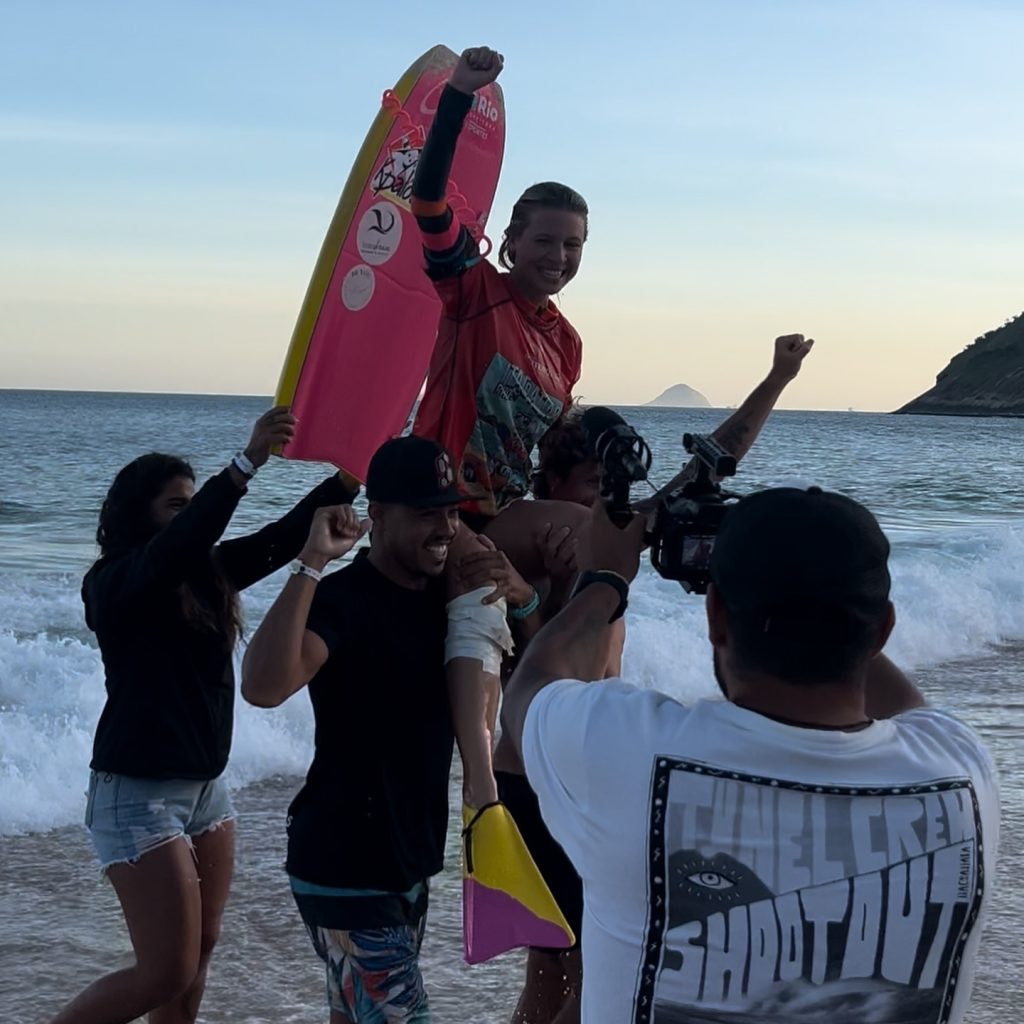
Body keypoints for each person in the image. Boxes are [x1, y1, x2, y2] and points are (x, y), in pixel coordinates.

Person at [411, 45, 816, 813]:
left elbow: (563, 443)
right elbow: (429, 200)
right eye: (544, 241)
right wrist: (460, 97)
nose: (558, 257)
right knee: (583, 533)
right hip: (441, 504)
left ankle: (574, 742)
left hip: (501, 512)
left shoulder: (565, 343)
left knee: (603, 533)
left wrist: (588, 507)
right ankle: (501, 781)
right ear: (511, 241)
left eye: (574, 246)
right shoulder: (473, 292)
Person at [501, 488, 1000, 1024]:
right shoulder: (963, 778)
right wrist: (816, 594)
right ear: (883, 630)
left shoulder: (626, 754)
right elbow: (908, 708)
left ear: (714, 616)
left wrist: (605, 581)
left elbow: (531, 687)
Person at [50, 408, 358, 1024]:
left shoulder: (207, 575)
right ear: (140, 515)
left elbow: (283, 536)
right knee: (163, 970)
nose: (189, 515)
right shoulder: (113, 584)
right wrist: (243, 467)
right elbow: (171, 551)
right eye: (175, 505)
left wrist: (347, 481)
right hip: (137, 796)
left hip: (207, 792)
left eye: (193, 502)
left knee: (200, 952)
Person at [240, 436, 513, 1024]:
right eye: (425, 513)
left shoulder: (451, 599)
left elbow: (514, 673)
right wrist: (311, 563)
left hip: (408, 863)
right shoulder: (344, 599)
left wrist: (525, 593)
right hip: (344, 863)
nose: (444, 527)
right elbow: (263, 686)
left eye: (449, 510)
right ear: (379, 517)